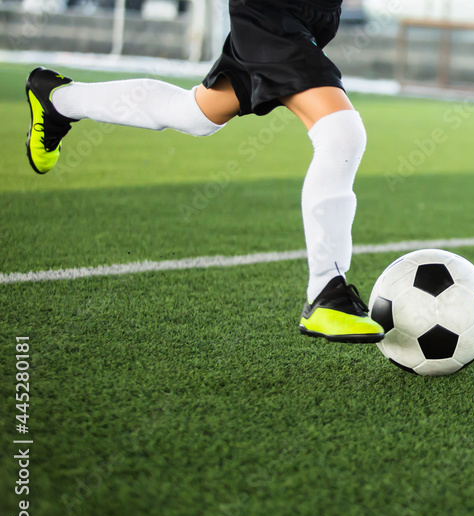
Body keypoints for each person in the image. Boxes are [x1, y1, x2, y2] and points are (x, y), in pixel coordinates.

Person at [24, 0, 385, 344]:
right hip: (272, 12)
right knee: (341, 133)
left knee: (196, 114)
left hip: (313, 16)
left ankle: (57, 99)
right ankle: (326, 293)